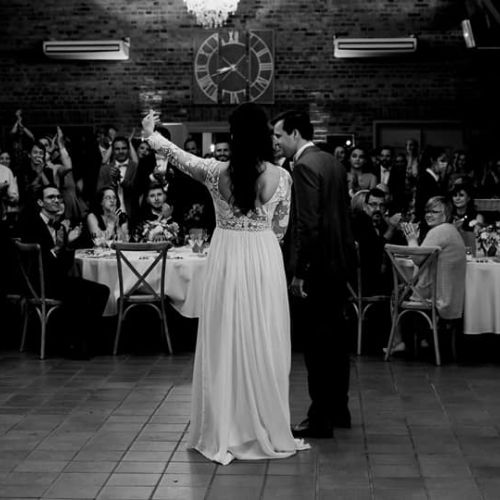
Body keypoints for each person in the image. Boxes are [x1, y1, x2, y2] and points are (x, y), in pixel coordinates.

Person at [142, 103, 309, 465]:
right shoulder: (282, 177)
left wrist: (151, 135)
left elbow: (179, 156)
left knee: (224, 337)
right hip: (264, 257)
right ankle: (264, 422)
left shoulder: (215, 172)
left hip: (227, 256)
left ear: (233, 137)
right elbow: (280, 229)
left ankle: (226, 425)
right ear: (265, 136)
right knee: (264, 337)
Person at [273, 110, 355, 438]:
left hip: (317, 268)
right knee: (337, 343)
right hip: (338, 264)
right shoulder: (332, 162)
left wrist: (300, 272)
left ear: (295, 133)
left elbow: (308, 224)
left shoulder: (304, 166)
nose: (276, 142)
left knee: (317, 346)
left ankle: (319, 417)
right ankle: (339, 409)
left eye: (279, 135)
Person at [20, 185, 109, 358]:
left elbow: (63, 265)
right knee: (82, 293)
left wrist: (68, 244)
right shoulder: (32, 224)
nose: (56, 200)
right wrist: (64, 245)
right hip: (40, 283)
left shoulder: (59, 226)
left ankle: (85, 341)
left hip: (56, 279)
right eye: (51, 197)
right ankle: (73, 345)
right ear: (40, 202)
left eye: (59, 197)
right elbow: (44, 262)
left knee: (102, 290)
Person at [395, 196, 466, 355]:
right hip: (453, 297)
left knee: (398, 293)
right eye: (427, 211)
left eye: (434, 212)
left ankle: (403, 344)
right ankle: (423, 340)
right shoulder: (451, 230)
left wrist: (411, 239)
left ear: (446, 214)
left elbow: (417, 258)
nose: (429, 215)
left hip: (437, 297)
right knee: (406, 289)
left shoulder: (438, 231)